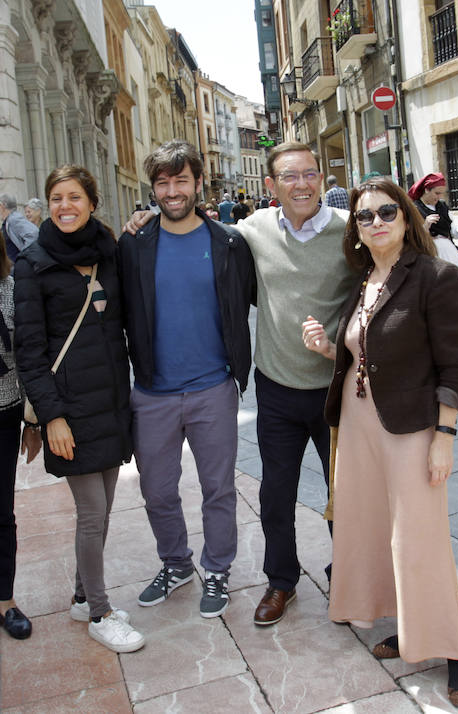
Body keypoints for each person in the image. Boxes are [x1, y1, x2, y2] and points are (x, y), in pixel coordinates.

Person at [125, 142, 356, 626]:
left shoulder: (344, 231)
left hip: (334, 387)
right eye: (288, 177)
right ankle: (280, 582)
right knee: (274, 494)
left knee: (347, 491)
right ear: (270, 187)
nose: (300, 185)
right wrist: (139, 220)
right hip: (274, 385)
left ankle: (350, 575)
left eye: (308, 174)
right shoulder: (247, 233)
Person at [301, 176, 458, 708]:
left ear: (406, 217)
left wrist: (444, 436)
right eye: (364, 216)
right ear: (354, 230)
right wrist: (327, 350)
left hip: (412, 429)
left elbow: (455, 366)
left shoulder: (437, 277)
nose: (375, 222)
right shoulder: (364, 281)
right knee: (374, 530)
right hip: (358, 426)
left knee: (418, 538)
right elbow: (367, 357)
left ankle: (455, 649)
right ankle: (410, 627)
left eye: (386, 212)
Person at [119, 141, 254, 619]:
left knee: (218, 488)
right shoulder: (133, 245)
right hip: (152, 392)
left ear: (199, 183)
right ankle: (175, 563)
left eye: (181, 180)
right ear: (153, 188)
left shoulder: (229, 243)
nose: (172, 191)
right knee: (156, 490)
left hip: (213, 388)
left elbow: (259, 299)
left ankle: (216, 569)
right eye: (163, 182)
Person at [14, 165, 144, 652]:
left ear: (92, 202)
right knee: (92, 513)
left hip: (109, 401)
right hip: (68, 409)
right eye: (55, 199)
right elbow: (29, 351)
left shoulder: (107, 252)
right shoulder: (33, 264)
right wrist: (53, 417)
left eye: (73, 197)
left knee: (105, 509)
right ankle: (100, 612)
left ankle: (78, 593)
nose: (64, 206)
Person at [0, 236, 42, 640]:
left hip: (4, 414)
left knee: (1, 512)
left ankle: (5, 600)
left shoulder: (11, 289)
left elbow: (29, 354)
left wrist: (32, 421)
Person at [409, 173, 458, 356]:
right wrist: (425, 225)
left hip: (449, 252)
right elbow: (412, 236)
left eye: (441, 193)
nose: (439, 197)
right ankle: (449, 342)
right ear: (426, 190)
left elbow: (450, 228)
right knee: (443, 296)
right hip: (431, 254)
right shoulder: (415, 208)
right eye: (436, 192)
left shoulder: (442, 207)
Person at [0, 195, 39, 266]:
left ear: (2, 206)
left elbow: (34, 234)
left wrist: (23, 256)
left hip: (17, 268)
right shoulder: (8, 221)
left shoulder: (14, 218)